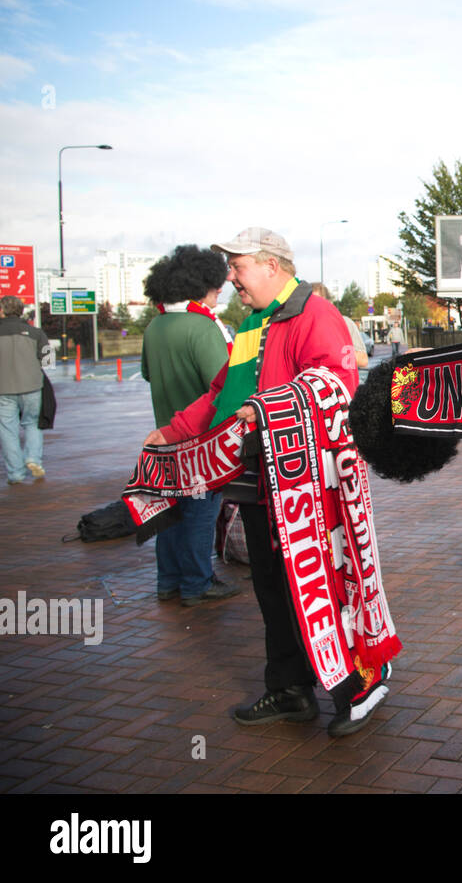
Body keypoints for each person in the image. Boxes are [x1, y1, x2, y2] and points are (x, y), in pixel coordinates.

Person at [142, 227, 383, 738]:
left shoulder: (316, 314)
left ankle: (358, 687)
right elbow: (219, 393)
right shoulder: (253, 323)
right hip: (255, 483)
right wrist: (172, 430)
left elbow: (335, 382)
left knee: (320, 591)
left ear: (272, 266)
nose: (230, 277)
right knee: (273, 591)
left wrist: (265, 408)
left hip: (306, 491)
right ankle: (291, 690)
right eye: (229, 267)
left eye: (238, 266)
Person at [141, 245, 240, 605]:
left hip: (164, 431)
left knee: (169, 513)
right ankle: (198, 583)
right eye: (217, 288)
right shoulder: (202, 327)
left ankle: (167, 581)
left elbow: (148, 374)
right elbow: (222, 384)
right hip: (200, 439)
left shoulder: (155, 326)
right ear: (202, 286)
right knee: (200, 512)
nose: (220, 294)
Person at [0, 295, 51, 485]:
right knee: (32, 424)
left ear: (2, 311)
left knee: (8, 430)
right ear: (21, 311)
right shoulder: (36, 333)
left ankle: (15, 473)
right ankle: (33, 459)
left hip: (3, 389)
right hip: (32, 386)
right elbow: (48, 360)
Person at [310, 282, 368, 368]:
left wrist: (333, 351)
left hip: (339, 379)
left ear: (328, 302)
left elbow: (363, 360)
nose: (314, 306)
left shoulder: (344, 323)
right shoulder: (301, 327)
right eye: (309, 302)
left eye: (318, 301)